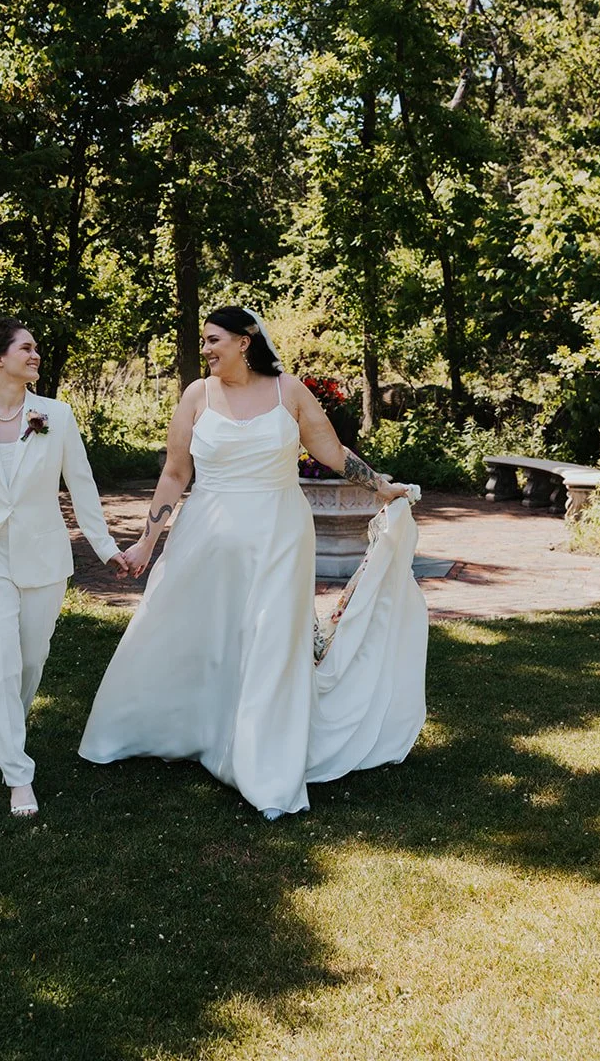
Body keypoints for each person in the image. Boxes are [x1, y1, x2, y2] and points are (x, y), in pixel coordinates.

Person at [79, 305, 428, 818]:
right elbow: (175, 475)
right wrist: (145, 546)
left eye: (213, 339)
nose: (206, 349)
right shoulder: (197, 396)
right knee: (193, 632)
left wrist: (382, 486)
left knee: (270, 642)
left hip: (279, 534)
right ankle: (180, 728)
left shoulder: (289, 392)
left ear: (245, 341)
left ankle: (264, 765)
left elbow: (332, 452)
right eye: (203, 341)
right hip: (206, 536)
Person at [0, 318, 127, 817]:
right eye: (27, 348)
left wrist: (106, 547)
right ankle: (19, 776)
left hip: (43, 556)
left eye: (37, 348)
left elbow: (82, 487)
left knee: (29, 660)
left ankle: (4, 737)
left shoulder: (56, 416)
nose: (36, 355)